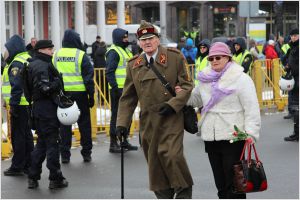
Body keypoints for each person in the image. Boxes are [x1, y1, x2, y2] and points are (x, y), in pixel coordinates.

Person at [116, 21, 194, 199]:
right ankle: (164, 196)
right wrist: (122, 124)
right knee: (155, 165)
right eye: (143, 40)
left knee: (173, 156)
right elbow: (128, 98)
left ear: (158, 40)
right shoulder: (134, 65)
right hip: (149, 122)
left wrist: (172, 104)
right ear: (139, 43)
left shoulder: (175, 57)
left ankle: (183, 192)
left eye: (150, 38)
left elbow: (187, 86)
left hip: (171, 118)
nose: (147, 42)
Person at [176, 42, 261, 199]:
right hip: (211, 137)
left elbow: (251, 108)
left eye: (218, 57)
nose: (214, 61)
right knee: (221, 185)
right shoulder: (205, 78)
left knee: (235, 185)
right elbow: (196, 99)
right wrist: (183, 94)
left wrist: (251, 133)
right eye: (211, 58)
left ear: (228, 58)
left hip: (233, 137)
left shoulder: (241, 79)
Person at [25, 40, 68, 189]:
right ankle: (55, 178)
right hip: (46, 110)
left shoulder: (34, 63)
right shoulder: (41, 66)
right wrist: (57, 82)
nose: (52, 52)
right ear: (42, 50)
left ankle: (32, 176)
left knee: (42, 144)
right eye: (50, 49)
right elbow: (44, 89)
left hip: (39, 109)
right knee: (52, 143)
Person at [53, 29, 94, 163]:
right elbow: (88, 77)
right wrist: (91, 95)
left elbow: (52, 73)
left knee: (64, 124)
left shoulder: (56, 54)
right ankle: (86, 153)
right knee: (84, 124)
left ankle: (65, 155)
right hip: (80, 93)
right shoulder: (81, 55)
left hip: (63, 94)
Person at [2, 35, 34, 176]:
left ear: (13, 48)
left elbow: (16, 86)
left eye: (7, 49)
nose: (5, 52)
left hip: (19, 105)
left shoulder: (16, 63)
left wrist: (13, 104)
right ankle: (28, 164)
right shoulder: (25, 58)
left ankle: (17, 165)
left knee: (18, 136)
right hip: (27, 104)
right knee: (27, 136)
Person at [105, 28, 138, 153]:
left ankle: (124, 141)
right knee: (117, 116)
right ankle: (113, 143)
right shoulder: (113, 52)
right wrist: (115, 87)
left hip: (128, 88)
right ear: (118, 38)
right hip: (118, 89)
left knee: (127, 115)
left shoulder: (126, 51)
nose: (126, 40)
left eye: (127, 37)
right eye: (124, 38)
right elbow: (109, 72)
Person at [283, 28, 299, 142]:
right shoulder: (292, 48)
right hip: (294, 81)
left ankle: (297, 133)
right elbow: (286, 60)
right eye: (292, 35)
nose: (293, 37)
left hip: (298, 81)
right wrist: (287, 67)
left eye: (295, 35)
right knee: (295, 108)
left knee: (296, 108)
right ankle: (296, 132)